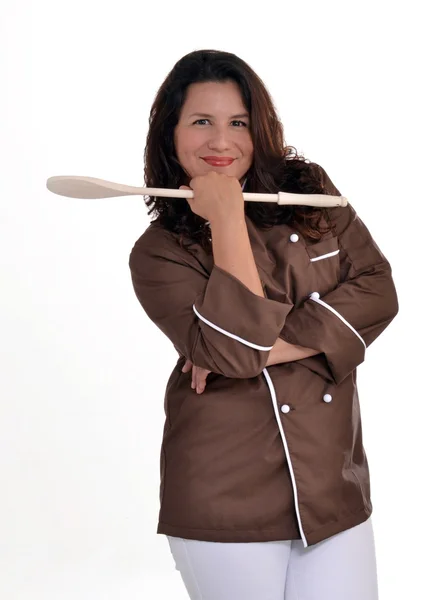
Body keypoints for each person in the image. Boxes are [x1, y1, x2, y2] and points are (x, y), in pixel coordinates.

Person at [128, 49, 399, 600]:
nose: (221, 142)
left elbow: (378, 290)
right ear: (170, 132)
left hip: (331, 489)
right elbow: (238, 353)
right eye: (201, 121)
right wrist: (225, 215)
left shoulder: (310, 194)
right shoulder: (159, 255)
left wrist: (268, 346)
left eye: (238, 123)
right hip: (225, 497)